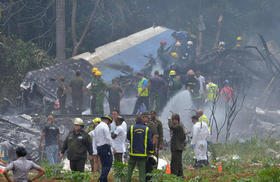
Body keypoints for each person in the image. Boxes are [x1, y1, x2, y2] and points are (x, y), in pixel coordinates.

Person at [127, 112, 154, 182]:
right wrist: (151, 151)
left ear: (135, 120)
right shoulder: (147, 129)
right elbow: (149, 142)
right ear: (142, 120)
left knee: (129, 171)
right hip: (143, 154)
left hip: (133, 153)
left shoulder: (131, 128)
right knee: (142, 172)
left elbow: (128, 138)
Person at [94, 115, 113, 182]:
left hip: (99, 147)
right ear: (107, 120)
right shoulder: (105, 126)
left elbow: (95, 139)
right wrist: (112, 146)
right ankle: (101, 179)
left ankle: (104, 180)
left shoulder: (97, 127)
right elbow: (108, 138)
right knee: (108, 164)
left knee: (104, 164)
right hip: (105, 147)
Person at [168, 113, 186, 178]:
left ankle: (174, 176)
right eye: (172, 120)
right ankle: (180, 176)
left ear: (177, 120)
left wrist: (169, 120)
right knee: (178, 163)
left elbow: (171, 126)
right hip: (177, 148)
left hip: (177, 148)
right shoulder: (179, 127)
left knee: (174, 163)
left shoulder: (178, 126)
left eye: (174, 120)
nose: (173, 121)